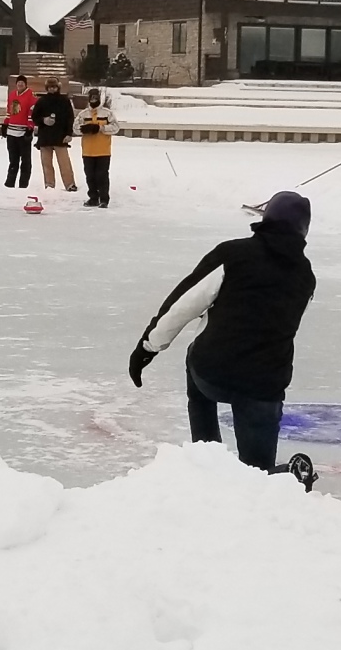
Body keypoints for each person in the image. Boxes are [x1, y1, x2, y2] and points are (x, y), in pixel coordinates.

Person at [129, 192, 318, 477]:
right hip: (264, 386)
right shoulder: (305, 276)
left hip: (213, 373)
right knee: (258, 474)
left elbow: (183, 305)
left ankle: (206, 460)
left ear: (266, 219)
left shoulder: (232, 255)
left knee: (196, 365)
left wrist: (147, 347)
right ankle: (281, 478)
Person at [31, 77, 77, 194]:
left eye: (54, 87)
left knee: (64, 163)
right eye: (50, 87)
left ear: (58, 87)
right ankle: (49, 184)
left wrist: (69, 133)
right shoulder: (41, 101)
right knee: (46, 164)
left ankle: (70, 184)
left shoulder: (64, 100)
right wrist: (43, 120)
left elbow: (70, 118)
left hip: (60, 136)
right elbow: (34, 117)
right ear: (47, 88)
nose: (52, 89)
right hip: (45, 137)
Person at [77, 89, 115, 208]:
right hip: (88, 150)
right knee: (90, 175)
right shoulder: (83, 114)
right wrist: (84, 129)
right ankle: (93, 198)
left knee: (102, 175)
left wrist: (101, 128)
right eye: (91, 97)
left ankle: (104, 199)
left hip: (103, 150)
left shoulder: (107, 113)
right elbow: (75, 128)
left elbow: (116, 127)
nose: (93, 99)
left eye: (96, 97)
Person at [1, 73, 34, 188]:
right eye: (18, 83)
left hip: (23, 132)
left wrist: (30, 128)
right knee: (13, 160)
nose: (20, 84)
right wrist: (5, 124)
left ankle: (23, 185)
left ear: (25, 84)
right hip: (11, 131)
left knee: (25, 161)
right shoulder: (12, 95)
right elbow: (9, 111)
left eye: (22, 83)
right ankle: (10, 183)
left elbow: (31, 113)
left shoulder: (30, 96)